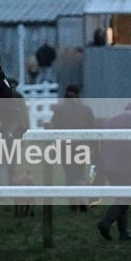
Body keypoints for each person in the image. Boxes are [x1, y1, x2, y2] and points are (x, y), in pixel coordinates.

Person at [96, 103, 131, 241]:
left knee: (121, 196)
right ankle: (106, 222)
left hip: (108, 164)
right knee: (128, 195)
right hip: (124, 163)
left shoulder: (109, 120)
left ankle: (123, 232)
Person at [48, 84, 95, 212]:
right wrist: (91, 146)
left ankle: (73, 202)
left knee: (69, 174)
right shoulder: (86, 109)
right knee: (80, 174)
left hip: (65, 147)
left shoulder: (60, 110)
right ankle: (83, 200)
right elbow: (92, 128)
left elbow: (54, 127)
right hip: (82, 146)